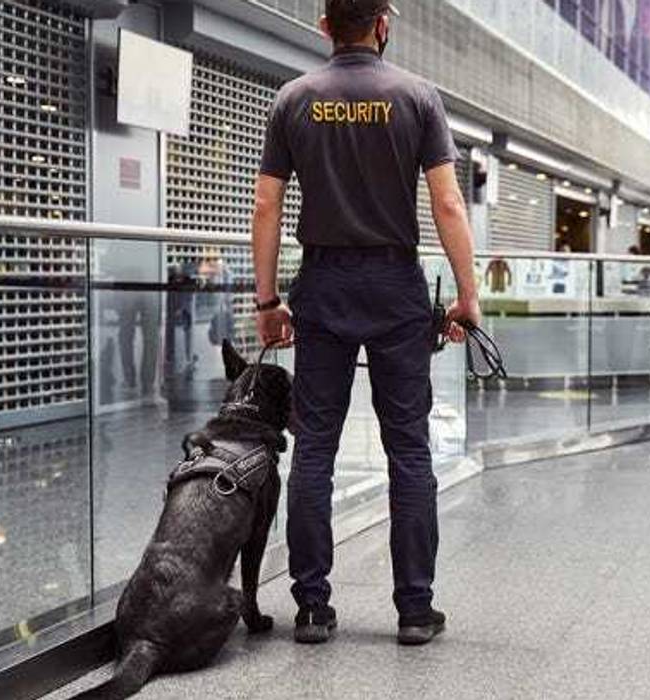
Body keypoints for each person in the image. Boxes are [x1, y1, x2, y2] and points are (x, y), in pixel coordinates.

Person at [250, 0, 479, 647]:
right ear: (384, 23)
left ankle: (313, 609)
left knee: (315, 447)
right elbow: (447, 202)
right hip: (395, 284)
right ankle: (413, 608)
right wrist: (467, 296)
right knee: (407, 446)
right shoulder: (417, 97)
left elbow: (267, 203)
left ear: (325, 26)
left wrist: (268, 302)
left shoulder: (293, 98)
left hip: (322, 284)